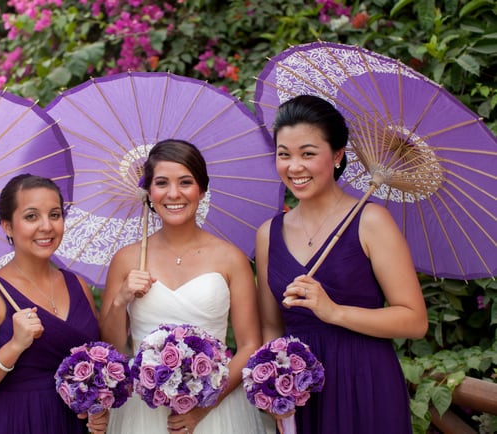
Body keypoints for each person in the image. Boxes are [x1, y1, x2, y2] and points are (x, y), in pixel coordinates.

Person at [255, 95, 428, 433]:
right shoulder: (268, 234)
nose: (294, 167)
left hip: (365, 381)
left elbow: (414, 320)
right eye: (284, 155)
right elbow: (272, 327)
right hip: (302, 392)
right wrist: (275, 387)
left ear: (337, 156)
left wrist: (334, 312)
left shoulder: (371, 221)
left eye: (308, 153)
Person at [100, 139, 268, 434]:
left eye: (186, 182)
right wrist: (121, 299)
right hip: (143, 413)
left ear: (201, 190)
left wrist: (204, 408)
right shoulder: (126, 259)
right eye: (162, 183)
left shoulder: (231, 258)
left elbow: (249, 345)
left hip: (215, 409)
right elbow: (114, 347)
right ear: (149, 192)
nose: (174, 194)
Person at [0, 174, 109, 434]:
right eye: (31, 216)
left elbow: (97, 363)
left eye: (55, 214)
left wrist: (98, 406)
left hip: (74, 424)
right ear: (7, 226)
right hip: (18, 421)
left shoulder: (77, 285)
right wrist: (14, 346)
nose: (46, 226)